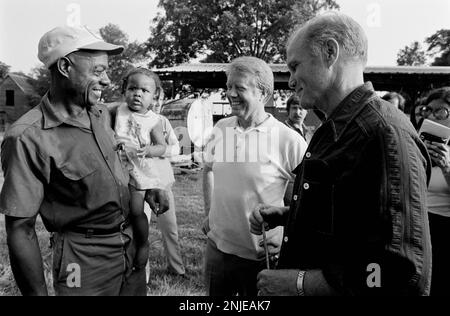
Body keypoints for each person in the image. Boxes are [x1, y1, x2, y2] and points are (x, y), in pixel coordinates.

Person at [250, 12, 432, 296]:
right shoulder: (334, 127)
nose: (291, 81)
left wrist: (298, 283)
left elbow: (398, 271)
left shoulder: (384, 134)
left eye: (295, 66)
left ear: (330, 52)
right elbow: (354, 218)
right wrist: (290, 215)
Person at [0, 26, 152, 295]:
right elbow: (21, 230)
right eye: (98, 71)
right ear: (64, 66)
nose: (106, 80)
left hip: (129, 246)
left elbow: (110, 169)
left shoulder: (100, 113)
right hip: (83, 260)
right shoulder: (27, 137)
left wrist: (148, 189)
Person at [202, 56, 307, 296]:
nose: (230, 94)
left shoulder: (288, 140)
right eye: (228, 87)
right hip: (217, 250)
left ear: (263, 94)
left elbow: (310, 197)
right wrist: (209, 211)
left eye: (239, 87)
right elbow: (208, 170)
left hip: (260, 259)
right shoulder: (222, 129)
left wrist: (288, 233)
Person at [114, 67, 170, 274]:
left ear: (154, 96)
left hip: (138, 168)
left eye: (145, 91)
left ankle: (142, 242)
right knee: (122, 209)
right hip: (118, 165)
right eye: (132, 88)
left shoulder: (153, 120)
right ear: (124, 90)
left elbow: (162, 146)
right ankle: (123, 245)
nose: (137, 93)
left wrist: (149, 149)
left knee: (136, 210)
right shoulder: (118, 110)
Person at [414, 87, 450, 296]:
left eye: (442, 111)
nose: (434, 116)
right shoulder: (419, 142)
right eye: (429, 110)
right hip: (418, 220)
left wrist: (446, 168)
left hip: (443, 228)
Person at [148, 94, 186, 277]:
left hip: (163, 184)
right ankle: (142, 274)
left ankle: (177, 269)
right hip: (141, 185)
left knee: (170, 229)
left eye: (160, 99)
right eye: (153, 98)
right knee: (141, 232)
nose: (156, 103)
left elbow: (176, 148)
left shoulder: (163, 121)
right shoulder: (131, 120)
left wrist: (156, 151)